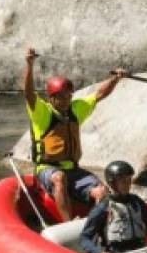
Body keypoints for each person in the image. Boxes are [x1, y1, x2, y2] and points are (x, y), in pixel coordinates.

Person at [23, 46, 126, 222]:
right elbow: (29, 94)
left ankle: (98, 227)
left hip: (74, 170)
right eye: (61, 97)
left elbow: (100, 94)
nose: (65, 100)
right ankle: (69, 224)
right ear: (51, 98)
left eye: (68, 96)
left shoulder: (76, 109)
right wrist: (30, 66)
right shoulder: (42, 113)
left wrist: (115, 78)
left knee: (102, 191)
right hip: (47, 169)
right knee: (59, 177)